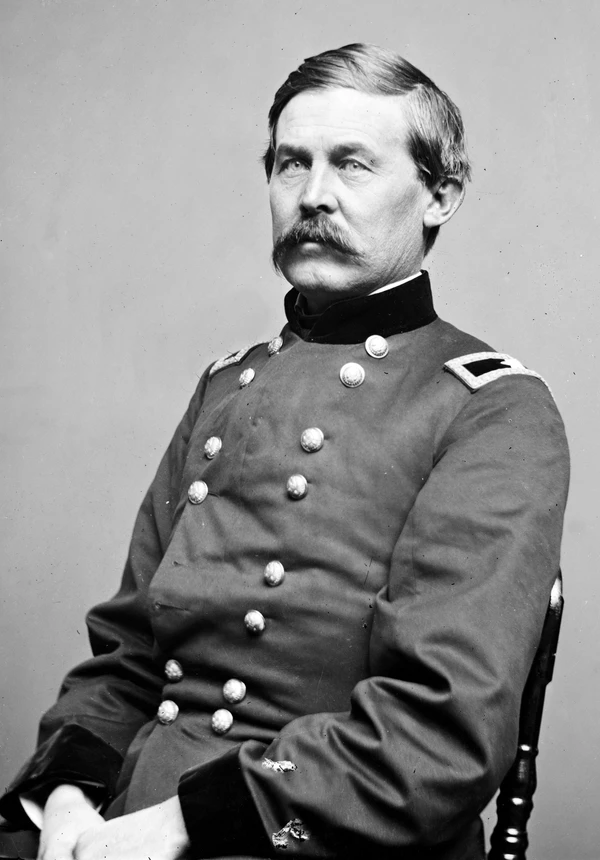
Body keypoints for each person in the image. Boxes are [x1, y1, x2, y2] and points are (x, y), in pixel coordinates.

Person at [0, 43, 569, 860]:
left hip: (301, 831)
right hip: (117, 817)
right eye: (291, 163)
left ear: (440, 195)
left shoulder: (492, 408)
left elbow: (439, 734)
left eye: (353, 165)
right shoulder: (224, 385)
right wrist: (64, 802)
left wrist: (181, 825)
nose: (313, 195)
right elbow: (128, 655)